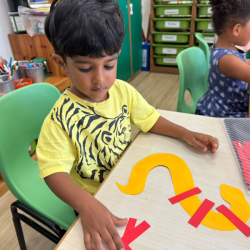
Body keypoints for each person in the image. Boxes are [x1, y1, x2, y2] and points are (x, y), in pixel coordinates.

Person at [37, 0, 219, 249]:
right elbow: (52, 172)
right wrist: (87, 206)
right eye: (86, 68)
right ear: (61, 63)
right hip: (93, 200)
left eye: (109, 65)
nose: (100, 79)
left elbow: (150, 119)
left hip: (125, 180)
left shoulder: (122, 91)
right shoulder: (60, 119)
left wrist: (185, 133)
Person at [196, 0, 250, 118]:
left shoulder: (224, 49)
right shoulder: (228, 59)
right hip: (225, 114)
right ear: (237, 29)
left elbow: (244, 63)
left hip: (222, 105)